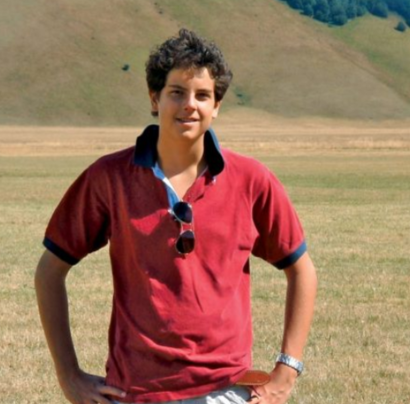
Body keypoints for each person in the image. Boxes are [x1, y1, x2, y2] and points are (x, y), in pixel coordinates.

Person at [35, 29, 317, 404]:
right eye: (177, 93)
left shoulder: (252, 180)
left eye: (203, 95)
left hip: (225, 391)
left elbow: (301, 270)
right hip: (134, 393)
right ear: (155, 98)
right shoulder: (109, 177)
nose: (189, 105)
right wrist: (68, 375)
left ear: (217, 105)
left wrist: (288, 368)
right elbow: (49, 271)